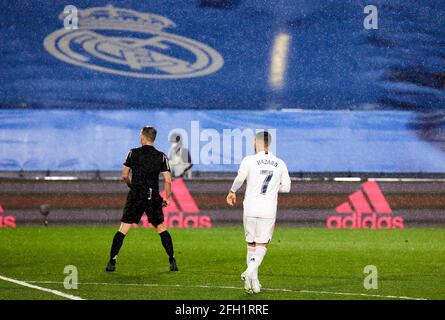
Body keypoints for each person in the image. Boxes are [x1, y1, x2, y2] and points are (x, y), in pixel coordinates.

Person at [106, 126, 178, 272]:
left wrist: (132, 186)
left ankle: (112, 262)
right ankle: (172, 260)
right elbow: (168, 180)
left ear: (143, 137)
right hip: (152, 195)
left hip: (136, 195)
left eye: (140, 135)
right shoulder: (161, 156)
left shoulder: (133, 153)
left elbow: (125, 175)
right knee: (161, 228)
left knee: (123, 228)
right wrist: (166, 197)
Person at [226, 131, 291, 294]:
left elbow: (240, 177)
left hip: (250, 208)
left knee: (251, 244)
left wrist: (232, 191)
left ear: (256, 142)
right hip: (268, 209)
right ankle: (249, 273)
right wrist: (275, 187)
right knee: (262, 244)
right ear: (269, 143)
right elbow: (287, 187)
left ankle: (252, 283)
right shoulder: (280, 163)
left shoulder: (249, 160)